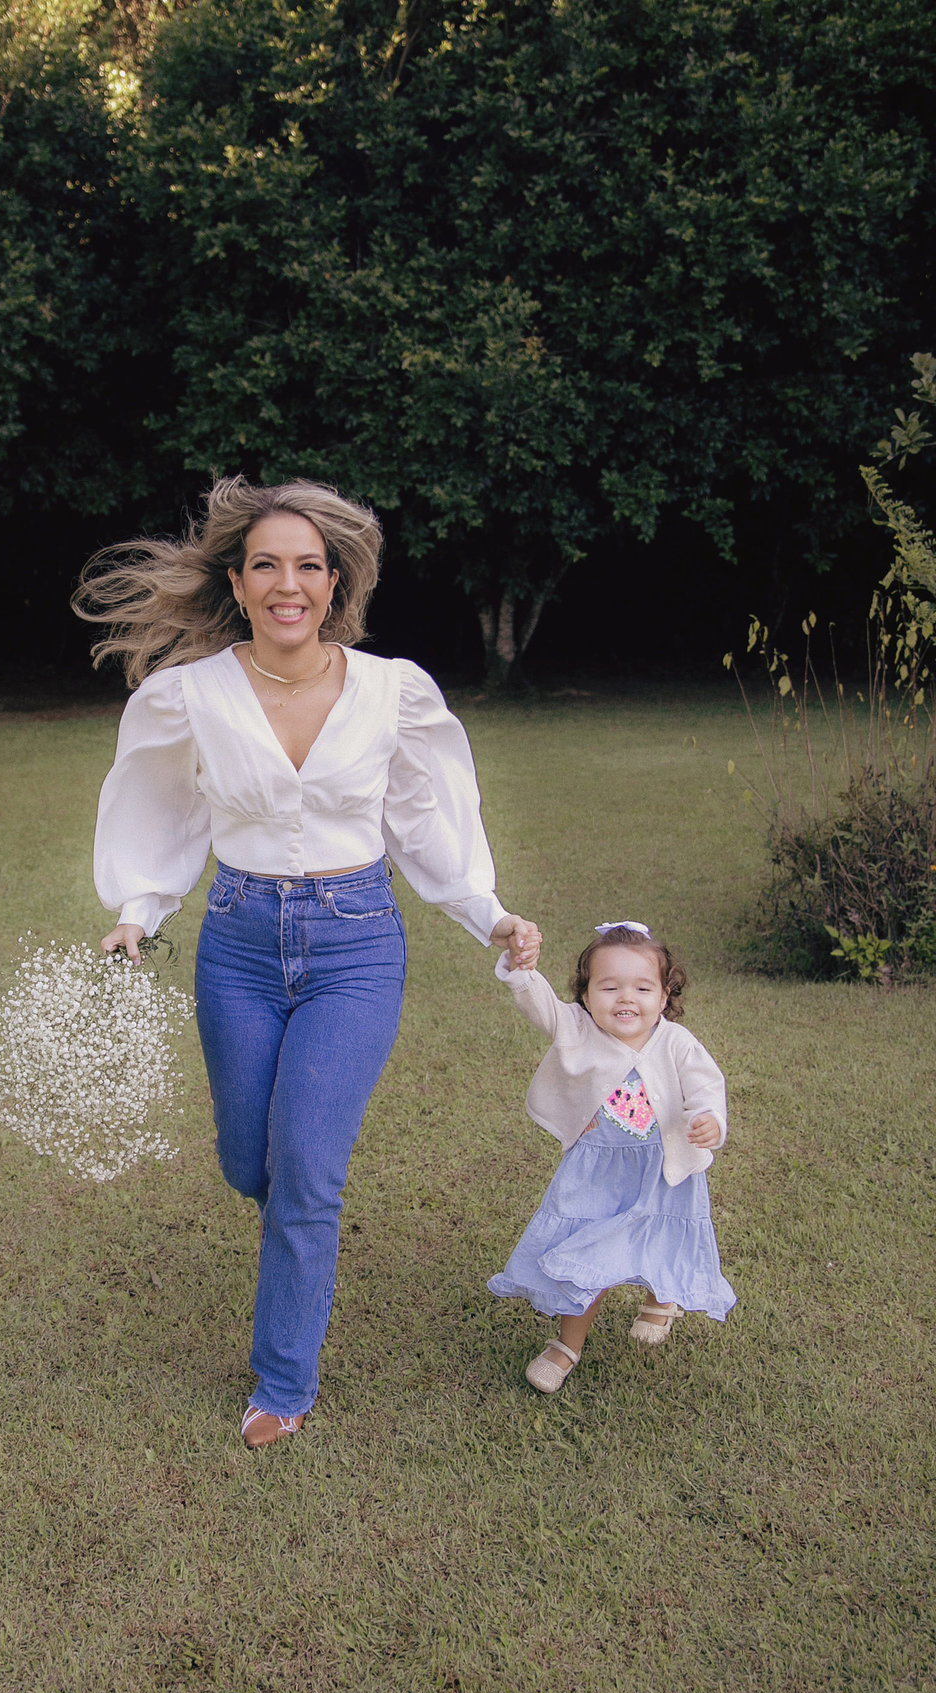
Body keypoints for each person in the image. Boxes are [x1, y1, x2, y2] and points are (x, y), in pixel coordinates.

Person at [77, 475, 541, 1448]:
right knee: (250, 1160)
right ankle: (297, 1216)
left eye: (308, 566)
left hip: (356, 945)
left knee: (306, 1179)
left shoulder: (393, 690)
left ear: (335, 582)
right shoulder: (189, 696)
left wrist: (488, 913)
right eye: (266, 567)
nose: (288, 584)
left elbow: (426, 818)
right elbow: (162, 807)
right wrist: (137, 909)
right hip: (237, 945)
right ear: (238, 585)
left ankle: (282, 1383)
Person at [488, 921, 735, 1393]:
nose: (626, 998)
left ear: (664, 996)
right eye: (609, 987)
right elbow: (540, 1006)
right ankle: (566, 1345)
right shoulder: (577, 1028)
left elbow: (707, 1086)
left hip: (663, 1169)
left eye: (642, 987)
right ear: (585, 995)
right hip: (597, 1168)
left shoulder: (676, 1042)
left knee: (662, 1236)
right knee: (586, 1248)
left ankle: (661, 1300)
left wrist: (709, 1119)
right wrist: (523, 971)